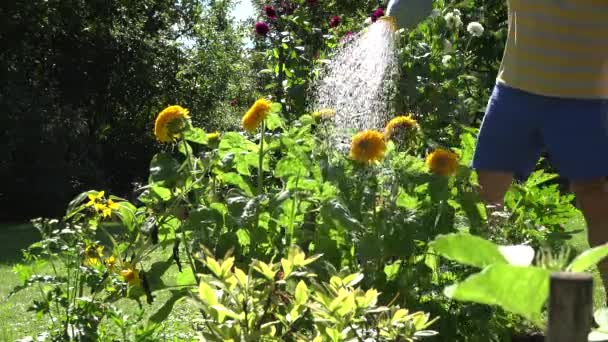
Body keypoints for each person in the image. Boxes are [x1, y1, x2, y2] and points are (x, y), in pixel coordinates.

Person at [472, 1, 608, 285]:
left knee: (595, 197)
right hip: (515, 89)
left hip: (586, 96)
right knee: (486, 194)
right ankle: (494, 301)